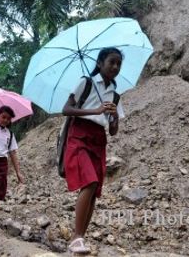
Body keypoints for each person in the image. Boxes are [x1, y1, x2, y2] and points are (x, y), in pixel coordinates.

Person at [62, 47, 125, 253]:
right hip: (79, 135)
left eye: (118, 64)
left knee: (95, 189)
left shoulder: (115, 95)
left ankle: (80, 238)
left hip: (99, 139)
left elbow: (113, 131)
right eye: (111, 62)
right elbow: (66, 109)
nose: (115, 67)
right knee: (88, 182)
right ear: (99, 63)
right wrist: (95, 110)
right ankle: (76, 237)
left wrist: (114, 115)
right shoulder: (86, 82)